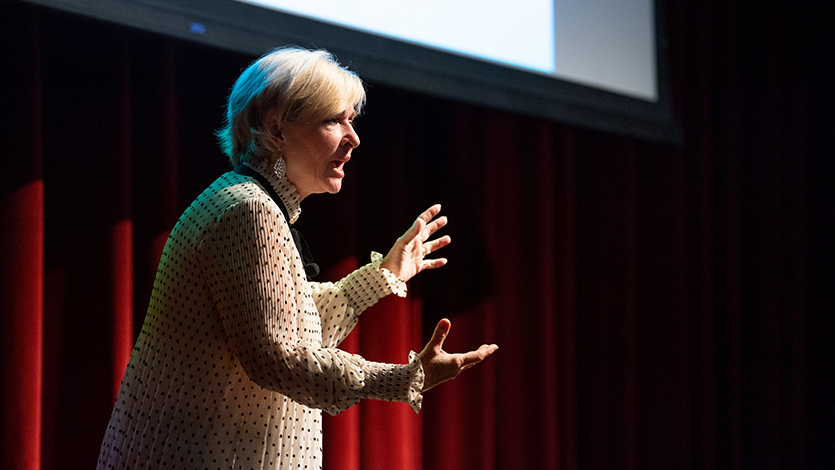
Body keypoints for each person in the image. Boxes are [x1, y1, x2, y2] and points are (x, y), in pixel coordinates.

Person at [97, 46, 498, 469]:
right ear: (277, 128)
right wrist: (403, 379)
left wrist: (384, 273)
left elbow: (288, 327)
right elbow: (279, 357)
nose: (354, 138)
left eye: (351, 120)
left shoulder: (246, 201)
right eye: (334, 120)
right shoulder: (247, 210)